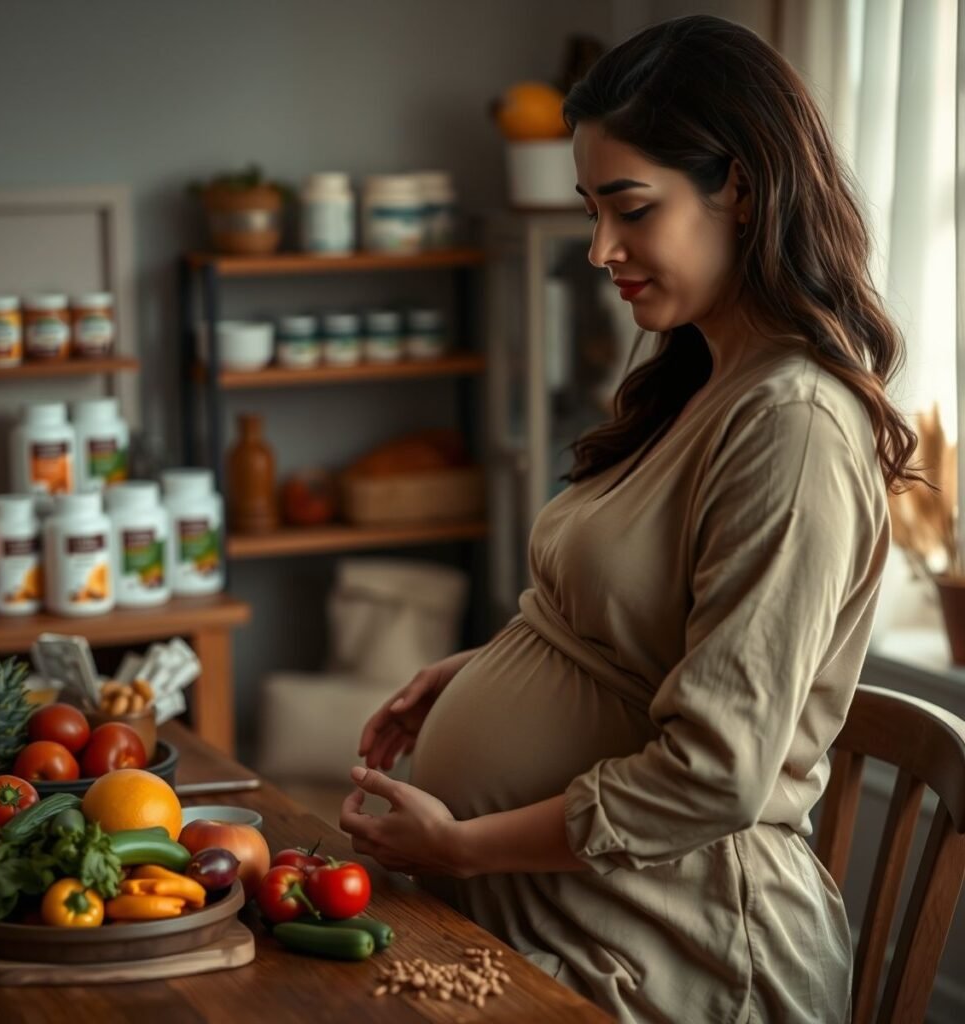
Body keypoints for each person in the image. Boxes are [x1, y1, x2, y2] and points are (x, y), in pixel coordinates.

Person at [340, 15, 920, 1024]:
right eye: (591, 210)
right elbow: (640, 630)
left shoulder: (794, 427)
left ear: (740, 189)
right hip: (564, 911)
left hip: (674, 946)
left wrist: (463, 846)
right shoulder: (699, 380)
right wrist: (480, 670)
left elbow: (714, 775)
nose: (602, 248)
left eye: (632, 209)